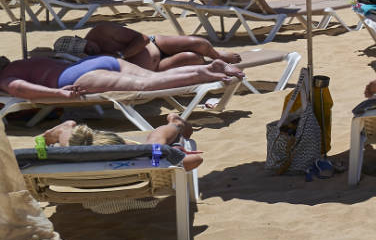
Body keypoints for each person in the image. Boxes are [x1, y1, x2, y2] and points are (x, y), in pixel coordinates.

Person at [0, 52, 242, 100]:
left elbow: (19, 89)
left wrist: (58, 93)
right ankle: (208, 67)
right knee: (152, 76)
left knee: (146, 85)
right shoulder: (23, 61)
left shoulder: (6, 77)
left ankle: (202, 73)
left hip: (73, 79)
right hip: (99, 60)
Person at [33, 113, 204, 171]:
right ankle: (175, 124)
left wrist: (41, 149)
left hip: (79, 171)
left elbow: (40, 157)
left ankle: (64, 129)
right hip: (133, 175)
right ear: (122, 145)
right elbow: (196, 160)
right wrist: (174, 151)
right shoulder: (150, 160)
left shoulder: (70, 158)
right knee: (156, 141)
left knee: (71, 142)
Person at [82, 21, 242, 71]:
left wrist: (122, 55)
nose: (89, 51)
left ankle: (218, 56)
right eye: (84, 52)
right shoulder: (86, 61)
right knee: (193, 58)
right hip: (154, 69)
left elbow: (142, 39)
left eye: (86, 46)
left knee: (199, 43)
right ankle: (213, 63)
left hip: (155, 44)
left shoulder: (103, 30)